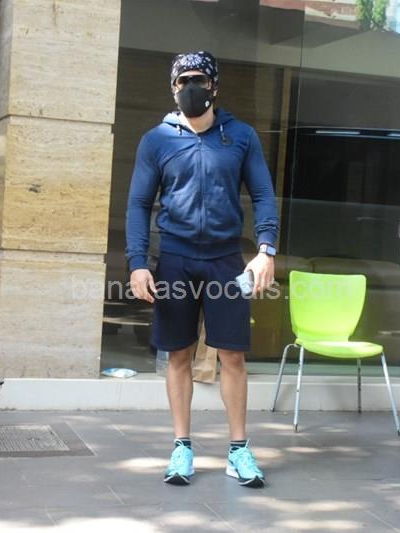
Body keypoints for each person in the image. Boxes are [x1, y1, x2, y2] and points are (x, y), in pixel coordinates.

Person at [126, 50, 278, 487]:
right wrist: (138, 263)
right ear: (173, 88)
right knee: (178, 354)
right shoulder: (157, 140)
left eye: (198, 80)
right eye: (182, 81)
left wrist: (266, 249)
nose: (190, 88)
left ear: (214, 86)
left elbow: (263, 195)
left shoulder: (241, 136)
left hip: (226, 261)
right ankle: (182, 448)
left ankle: (238, 451)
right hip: (175, 260)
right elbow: (138, 204)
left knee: (233, 355)